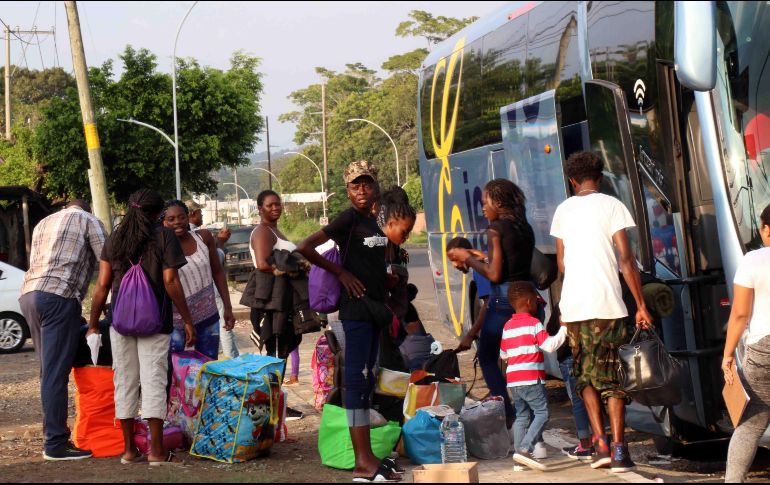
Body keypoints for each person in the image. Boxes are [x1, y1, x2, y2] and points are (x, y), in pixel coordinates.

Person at [297, 161, 403, 482]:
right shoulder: (349, 219)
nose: (361, 190)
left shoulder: (377, 221)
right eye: (355, 185)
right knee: (356, 383)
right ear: (347, 189)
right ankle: (362, 462)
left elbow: (376, 261)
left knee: (368, 379)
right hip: (354, 312)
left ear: (376, 186)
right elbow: (305, 247)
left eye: (366, 183)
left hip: (374, 310)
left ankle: (369, 457)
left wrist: (389, 278)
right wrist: (341, 273)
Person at [550, 151, 652, 472]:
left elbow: (562, 264)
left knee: (585, 377)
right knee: (613, 377)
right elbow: (626, 260)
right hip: (609, 305)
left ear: (572, 181)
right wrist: (641, 305)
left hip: (575, 308)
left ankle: (601, 444)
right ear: (601, 178)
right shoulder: (612, 206)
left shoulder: (563, 210)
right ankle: (621, 451)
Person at [88, 189, 195, 466]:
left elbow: (101, 286)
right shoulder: (164, 236)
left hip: (119, 323)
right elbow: (170, 281)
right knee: (154, 381)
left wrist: (92, 324)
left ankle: (128, 451)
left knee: (124, 382)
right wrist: (186, 318)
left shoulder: (115, 238)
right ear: (158, 213)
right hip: (155, 322)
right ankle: (157, 453)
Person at [18, 200, 108, 461]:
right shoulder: (91, 221)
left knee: (48, 371)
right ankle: (55, 443)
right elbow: (108, 264)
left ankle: (53, 437)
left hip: (29, 296)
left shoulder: (43, 223)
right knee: (55, 374)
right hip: (59, 297)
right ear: (87, 207)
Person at [447, 179, 536, 432]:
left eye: (485, 203)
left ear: (497, 203)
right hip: (527, 296)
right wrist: (481, 256)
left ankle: (508, 415)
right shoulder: (523, 226)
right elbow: (512, 260)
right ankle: (531, 418)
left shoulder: (495, 229)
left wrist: (467, 258)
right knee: (525, 363)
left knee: (487, 356)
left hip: (504, 300)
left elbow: (496, 274)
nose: (483, 209)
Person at [722, 204, 770, 483]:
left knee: (750, 426)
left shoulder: (753, 260)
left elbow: (740, 313)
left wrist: (728, 355)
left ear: (765, 229)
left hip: (764, 350)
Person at [501, 281, 567, 471]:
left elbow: (503, 355)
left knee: (522, 416)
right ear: (530, 301)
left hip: (513, 380)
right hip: (531, 379)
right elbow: (550, 346)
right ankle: (524, 449)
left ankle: (518, 461)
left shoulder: (507, 327)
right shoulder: (534, 324)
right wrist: (564, 329)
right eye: (537, 301)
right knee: (542, 413)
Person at [162, 200, 235, 359]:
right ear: (163, 222)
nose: (177, 222)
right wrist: (187, 322)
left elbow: (218, 272)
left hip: (208, 317)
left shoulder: (204, 237)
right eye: (171, 219)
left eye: (181, 217)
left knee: (207, 368)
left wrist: (228, 308)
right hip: (177, 323)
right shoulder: (161, 247)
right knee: (178, 374)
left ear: (188, 217)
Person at [185, 199, 239, 358]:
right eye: (200, 213)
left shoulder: (202, 235)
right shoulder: (200, 235)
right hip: (208, 290)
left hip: (193, 295)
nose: (201, 216)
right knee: (223, 327)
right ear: (192, 214)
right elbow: (216, 263)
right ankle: (232, 361)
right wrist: (220, 243)